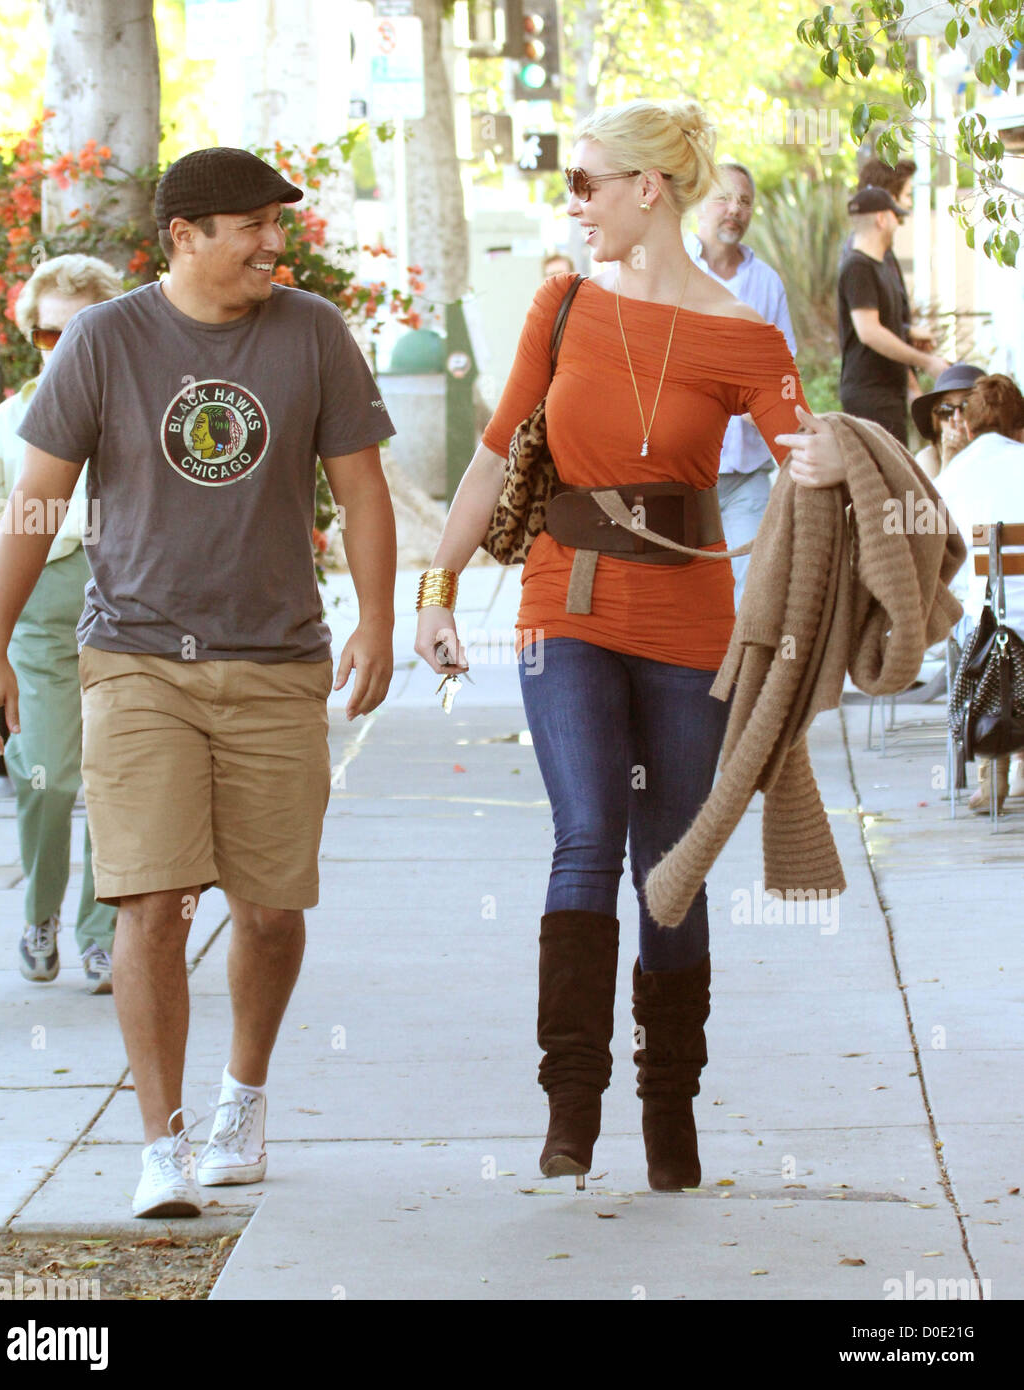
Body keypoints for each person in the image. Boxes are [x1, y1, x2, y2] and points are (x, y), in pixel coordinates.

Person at [414, 98, 847, 1193]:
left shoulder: (743, 337)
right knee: (586, 831)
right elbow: (491, 456)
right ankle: (570, 1109)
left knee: (671, 867)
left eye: (586, 183)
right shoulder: (559, 306)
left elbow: (805, 456)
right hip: (566, 602)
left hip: (690, 617)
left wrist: (833, 469)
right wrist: (439, 581)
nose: (575, 204)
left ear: (647, 189)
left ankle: (670, 1111)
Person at [0, 147, 398, 1219]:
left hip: (275, 660)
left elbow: (363, 488)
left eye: (274, 224)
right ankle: (160, 1142)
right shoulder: (106, 341)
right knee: (149, 900)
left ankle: (240, 1098)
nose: (271, 242)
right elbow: (33, 502)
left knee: (269, 908)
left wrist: (380, 619)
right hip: (136, 660)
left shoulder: (310, 334)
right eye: (248, 224)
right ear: (184, 236)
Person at [0, 254, 123, 991]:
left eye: (79, 331)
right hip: (40, 621)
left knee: (123, 783)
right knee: (48, 776)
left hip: (130, 612)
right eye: (48, 335)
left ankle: (103, 933)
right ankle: (40, 914)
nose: (62, 348)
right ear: (32, 336)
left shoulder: (137, 410)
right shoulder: (6, 421)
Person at [686, 162, 796, 604]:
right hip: (683, 472)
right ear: (697, 204)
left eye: (745, 201)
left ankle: (736, 675)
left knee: (747, 589)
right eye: (724, 197)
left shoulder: (767, 283)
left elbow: (784, 373)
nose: (735, 209)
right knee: (688, 588)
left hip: (748, 473)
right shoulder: (670, 270)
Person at [934, 374, 1024, 812]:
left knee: (977, 620)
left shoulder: (953, 476)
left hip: (983, 637)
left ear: (968, 427)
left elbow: (936, 564)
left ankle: (993, 780)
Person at [837, 185, 949, 445]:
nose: (898, 224)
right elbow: (869, 332)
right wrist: (926, 362)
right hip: (869, 395)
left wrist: (908, 331)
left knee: (895, 479)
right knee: (882, 482)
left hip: (889, 393)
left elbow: (880, 321)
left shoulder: (881, 266)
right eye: (895, 217)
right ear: (881, 218)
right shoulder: (857, 267)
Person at [912, 362, 987, 481]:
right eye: (946, 409)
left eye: (967, 406)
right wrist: (948, 462)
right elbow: (931, 499)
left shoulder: (1005, 449)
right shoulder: (929, 458)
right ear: (936, 420)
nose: (957, 417)